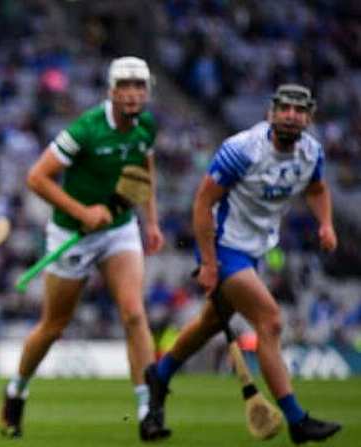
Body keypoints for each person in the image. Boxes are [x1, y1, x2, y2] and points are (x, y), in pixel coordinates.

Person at [143, 84, 342, 444]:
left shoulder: (311, 152)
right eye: (285, 108)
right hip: (222, 244)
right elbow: (202, 204)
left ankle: (160, 373)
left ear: (309, 117)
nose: (292, 115)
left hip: (256, 249)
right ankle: (298, 421)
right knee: (270, 321)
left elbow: (317, 189)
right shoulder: (242, 149)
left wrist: (325, 223)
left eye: (299, 110)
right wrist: (207, 263)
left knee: (209, 323)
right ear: (272, 112)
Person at [0, 56, 166, 441]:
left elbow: (145, 170)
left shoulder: (147, 126)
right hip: (71, 231)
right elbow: (36, 177)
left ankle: (148, 409)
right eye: (124, 86)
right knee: (53, 326)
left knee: (134, 314)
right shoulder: (87, 129)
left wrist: (151, 221)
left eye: (139, 87)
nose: (132, 94)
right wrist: (82, 212)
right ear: (111, 90)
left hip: (119, 230)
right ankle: (17, 391)